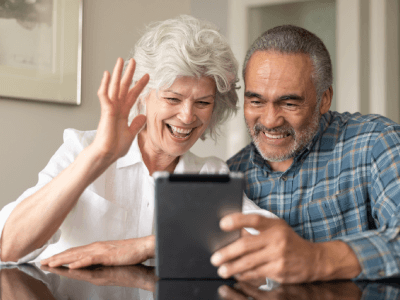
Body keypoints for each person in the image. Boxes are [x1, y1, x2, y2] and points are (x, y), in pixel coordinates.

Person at [0, 15, 275, 267]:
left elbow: (269, 243)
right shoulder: (82, 149)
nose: (187, 115)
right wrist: (100, 156)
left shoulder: (209, 175)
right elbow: (10, 247)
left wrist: (146, 247)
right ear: (142, 95)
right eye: (172, 98)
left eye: (203, 102)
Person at [210, 25, 400, 283]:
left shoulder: (377, 143)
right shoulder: (231, 174)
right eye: (256, 101)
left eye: (289, 103)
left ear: (324, 99)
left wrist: (318, 258)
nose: (270, 120)